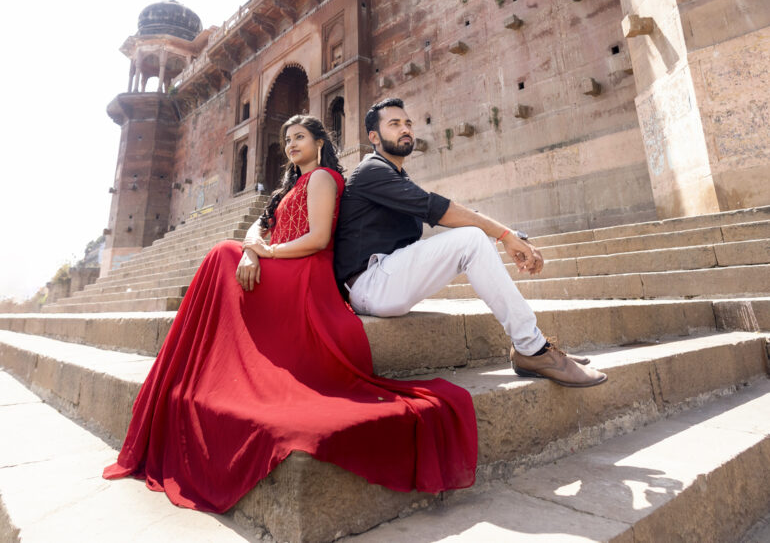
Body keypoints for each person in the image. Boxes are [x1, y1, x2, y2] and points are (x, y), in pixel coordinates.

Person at [103, 114, 477, 513]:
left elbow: (317, 239)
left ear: (319, 143)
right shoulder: (287, 189)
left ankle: (195, 367)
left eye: (300, 137)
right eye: (286, 140)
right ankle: (199, 370)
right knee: (227, 252)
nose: (291, 145)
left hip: (305, 274)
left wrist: (266, 253)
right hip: (276, 265)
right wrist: (251, 250)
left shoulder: (322, 179)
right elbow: (255, 231)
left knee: (218, 255)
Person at [334, 98, 607, 388]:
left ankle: (531, 345)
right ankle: (533, 349)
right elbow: (437, 209)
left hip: (386, 283)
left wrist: (507, 234)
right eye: (395, 124)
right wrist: (505, 235)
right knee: (471, 239)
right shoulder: (371, 171)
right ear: (374, 137)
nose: (406, 129)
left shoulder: (397, 175)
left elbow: (443, 211)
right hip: (369, 285)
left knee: (471, 238)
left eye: (408, 123)